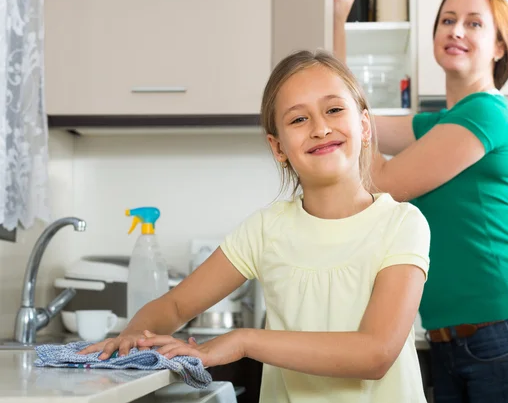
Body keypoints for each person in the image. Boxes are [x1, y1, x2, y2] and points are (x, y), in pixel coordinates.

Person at [80, 49, 431, 403]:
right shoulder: (265, 230)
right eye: (298, 120)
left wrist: (243, 341)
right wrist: (132, 338)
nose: (321, 128)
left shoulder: (402, 224)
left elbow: (375, 354)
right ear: (278, 148)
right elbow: (174, 307)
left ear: (365, 126)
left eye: (334, 109)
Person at [334, 0, 508, 403]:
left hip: (503, 336)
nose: (456, 30)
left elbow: (382, 179)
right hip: (452, 340)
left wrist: (349, 122)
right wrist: (340, 18)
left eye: (473, 23)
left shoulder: (486, 113)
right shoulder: (442, 123)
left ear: (499, 46)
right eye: (447, 20)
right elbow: (351, 113)